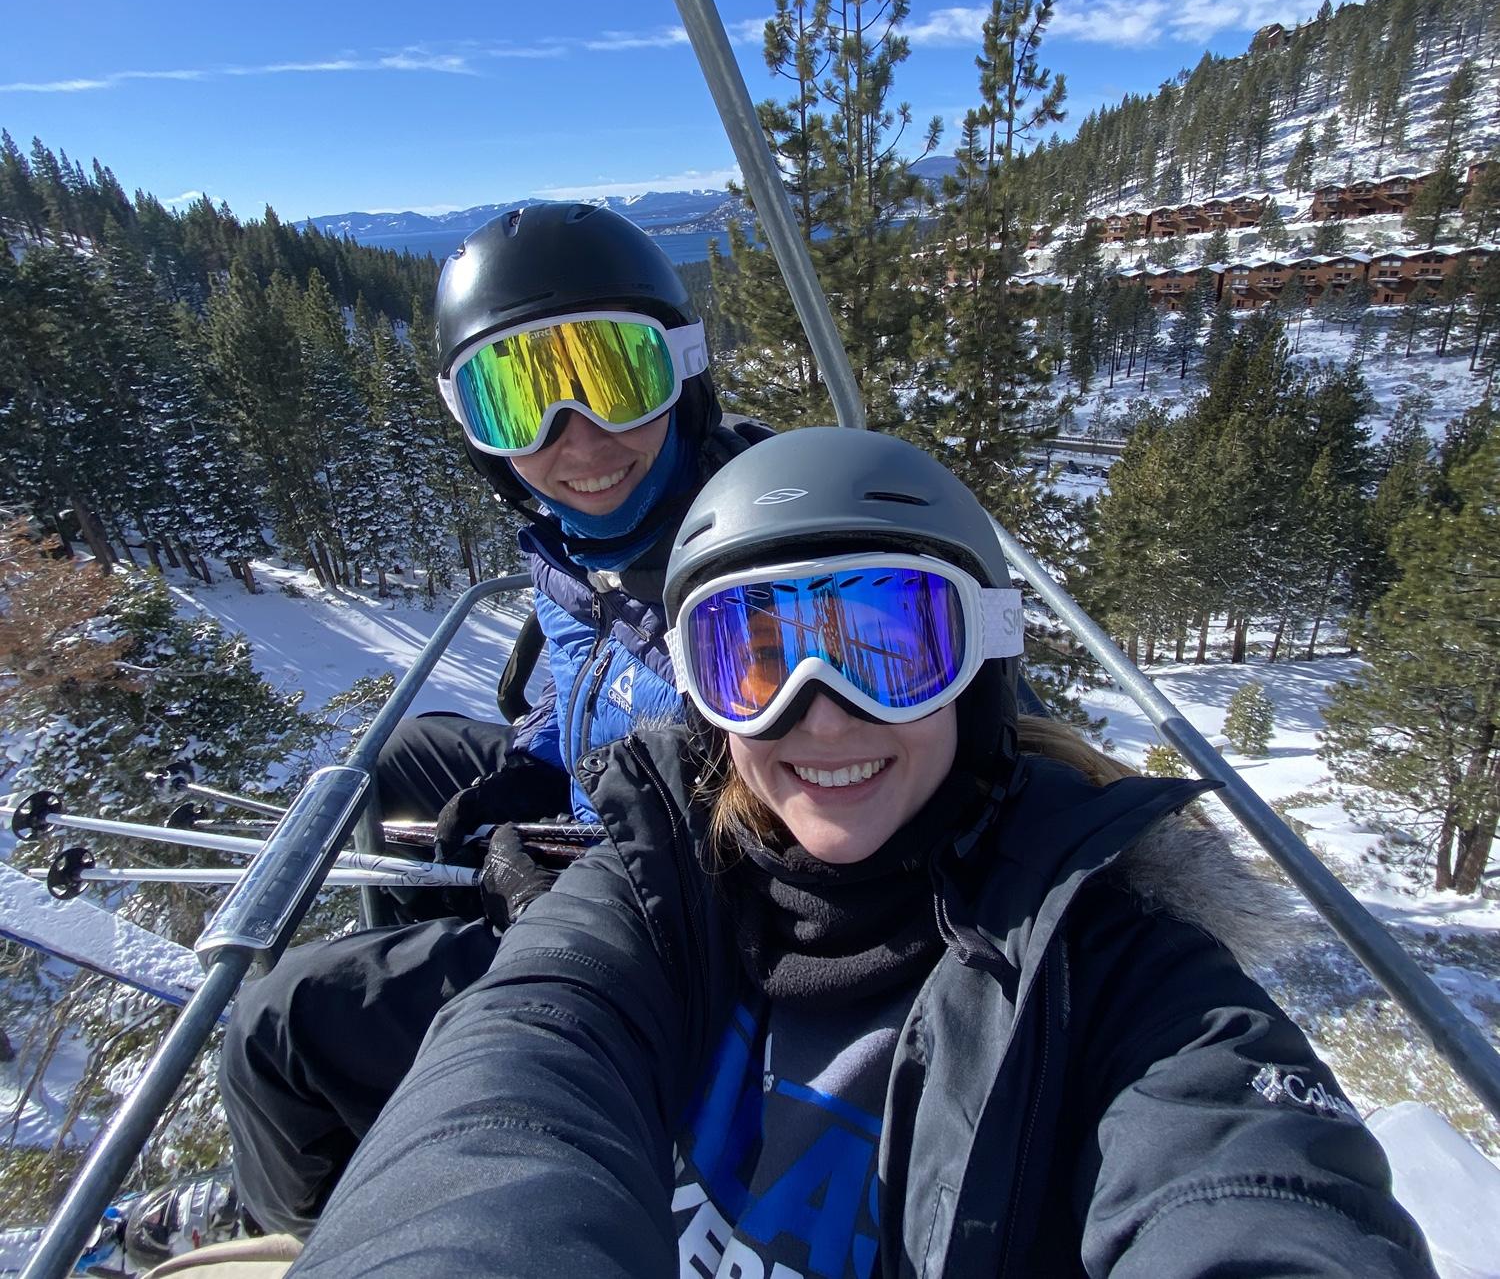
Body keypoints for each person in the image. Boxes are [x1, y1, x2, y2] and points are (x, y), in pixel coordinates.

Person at [288, 427, 1434, 1279]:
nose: (820, 714)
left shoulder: (1109, 973)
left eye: (889, 646)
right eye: (753, 658)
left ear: (981, 667)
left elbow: (1242, 1182)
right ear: (702, 703)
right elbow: (508, 1088)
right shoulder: (660, 883)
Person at [213, 201, 769, 1247]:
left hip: (677, 925)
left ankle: (310, 1234)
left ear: (685, 371)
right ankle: (423, 1010)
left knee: (277, 1027)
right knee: (406, 756)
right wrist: (533, 764)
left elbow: (796, 826)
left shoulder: (744, 564)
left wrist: (559, 898)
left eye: (615, 378)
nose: (576, 440)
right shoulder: (581, 548)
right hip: (608, 820)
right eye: (516, 401)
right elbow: (582, 682)